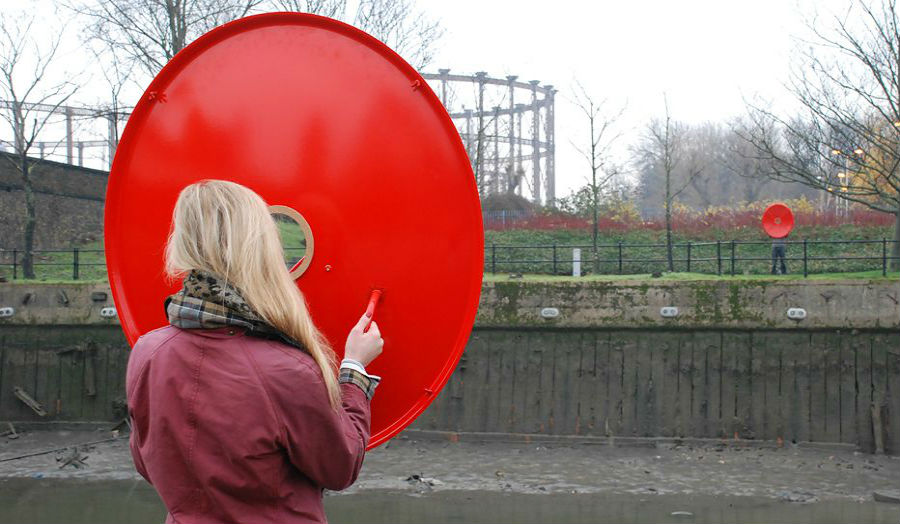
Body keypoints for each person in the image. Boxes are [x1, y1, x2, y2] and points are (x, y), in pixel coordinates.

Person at [126, 180, 384, 524]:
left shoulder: (148, 353)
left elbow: (148, 461)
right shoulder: (287, 370)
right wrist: (353, 371)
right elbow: (340, 466)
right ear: (261, 247)